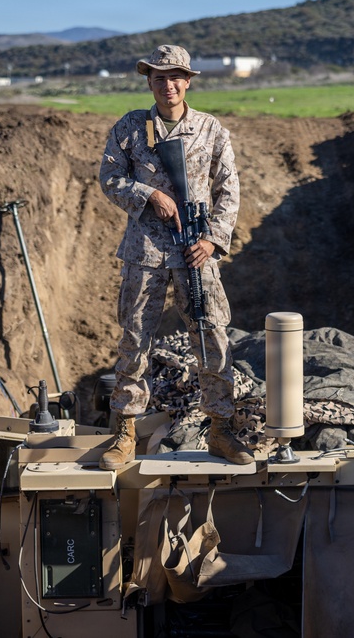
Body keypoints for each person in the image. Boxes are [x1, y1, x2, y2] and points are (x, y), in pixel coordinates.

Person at [97, 44, 254, 470]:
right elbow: (109, 177)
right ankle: (126, 431)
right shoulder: (130, 128)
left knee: (211, 335)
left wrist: (215, 240)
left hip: (196, 250)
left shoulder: (210, 129)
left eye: (175, 77)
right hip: (145, 250)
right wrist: (150, 195)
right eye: (158, 78)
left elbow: (229, 188)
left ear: (188, 81)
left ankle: (221, 429)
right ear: (149, 82)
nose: (167, 85)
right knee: (135, 338)